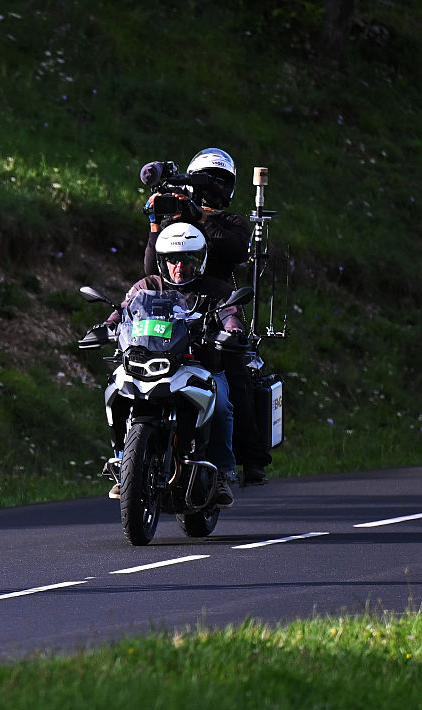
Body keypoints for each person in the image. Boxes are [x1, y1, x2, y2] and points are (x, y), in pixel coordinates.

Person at [141, 148, 270, 486]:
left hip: (216, 302)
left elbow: (233, 249)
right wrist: (156, 223)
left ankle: (250, 459)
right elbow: (152, 265)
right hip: (174, 305)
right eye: (207, 180)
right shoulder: (176, 220)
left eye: (220, 182)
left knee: (235, 375)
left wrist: (200, 217)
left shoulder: (232, 222)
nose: (213, 187)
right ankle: (138, 455)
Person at [105, 222, 241, 507]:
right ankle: (122, 464)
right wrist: (108, 325)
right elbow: (125, 308)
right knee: (115, 392)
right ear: (162, 261)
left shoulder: (215, 289)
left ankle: (221, 474)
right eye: (172, 260)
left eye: (187, 260)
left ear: (200, 260)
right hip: (149, 362)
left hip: (202, 365)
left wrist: (232, 327)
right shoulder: (147, 286)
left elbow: (230, 311)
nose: (179, 266)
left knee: (223, 405)